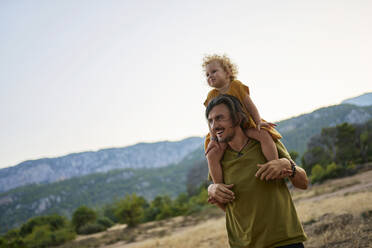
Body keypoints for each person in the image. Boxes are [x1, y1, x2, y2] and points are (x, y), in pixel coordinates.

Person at [205, 94, 308, 248]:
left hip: (284, 239)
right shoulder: (217, 158)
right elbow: (226, 204)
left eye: (220, 118)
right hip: (243, 244)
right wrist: (212, 189)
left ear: (237, 118)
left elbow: (303, 183)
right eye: (211, 121)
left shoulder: (266, 142)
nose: (214, 126)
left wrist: (287, 165)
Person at [202, 55, 281, 195]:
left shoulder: (236, 86)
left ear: (227, 72)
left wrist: (258, 122)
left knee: (264, 134)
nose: (210, 76)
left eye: (214, 71)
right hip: (224, 132)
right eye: (207, 74)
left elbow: (250, 106)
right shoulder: (211, 96)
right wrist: (214, 139)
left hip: (245, 124)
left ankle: (274, 164)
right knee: (212, 154)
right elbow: (210, 119)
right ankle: (219, 185)